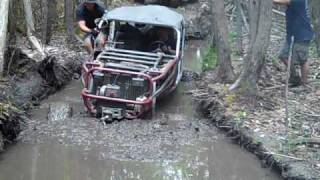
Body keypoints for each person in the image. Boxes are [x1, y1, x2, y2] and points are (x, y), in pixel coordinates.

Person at [273, 0, 314, 86]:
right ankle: (295, 76)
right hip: (292, 34)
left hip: (302, 34)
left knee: (302, 60)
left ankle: (303, 83)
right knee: (283, 55)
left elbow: (280, 2)